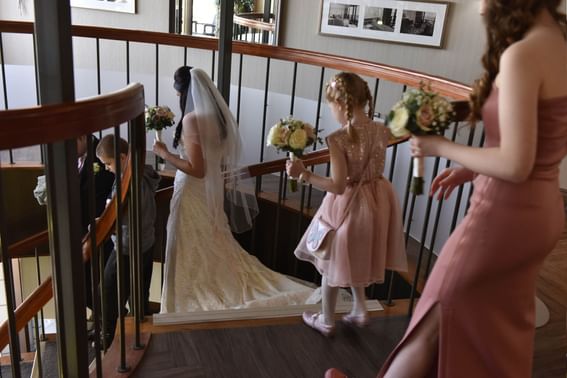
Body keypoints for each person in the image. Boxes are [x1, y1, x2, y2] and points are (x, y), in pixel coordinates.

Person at [377, 1, 567, 377]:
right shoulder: (559, 43)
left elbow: (515, 164)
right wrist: (472, 169)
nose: (481, 7)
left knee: (435, 315)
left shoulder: (522, 54)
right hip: (542, 214)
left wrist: (438, 146)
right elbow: (544, 142)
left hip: (502, 219)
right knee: (496, 330)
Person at [153, 66, 315, 313]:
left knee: (190, 242)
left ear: (185, 91)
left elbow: (197, 169)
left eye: (177, 93)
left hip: (193, 190)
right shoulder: (218, 117)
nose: (177, 98)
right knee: (209, 239)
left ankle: (195, 289)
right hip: (211, 191)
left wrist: (165, 154)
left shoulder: (191, 119)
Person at [286, 72, 407, 337]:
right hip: (378, 204)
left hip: (348, 207)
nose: (331, 111)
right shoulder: (381, 129)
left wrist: (303, 174)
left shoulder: (337, 139)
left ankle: (326, 320)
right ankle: (360, 309)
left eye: (331, 105)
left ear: (340, 105)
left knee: (332, 262)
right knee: (354, 256)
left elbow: (338, 186)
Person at [95, 134, 160, 345]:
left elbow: (124, 214)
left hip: (128, 245)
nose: (106, 168)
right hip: (142, 243)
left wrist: (102, 221)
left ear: (122, 157)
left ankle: (111, 335)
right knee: (138, 290)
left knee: (108, 289)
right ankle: (133, 332)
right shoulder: (136, 175)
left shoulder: (132, 182)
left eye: (108, 163)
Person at [76, 135, 115, 312]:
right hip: (80, 231)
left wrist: (105, 216)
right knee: (82, 288)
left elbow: (116, 184)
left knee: (100, 286)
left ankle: (110, 324)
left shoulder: (103, 152)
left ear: (82, 137)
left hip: (101, 230)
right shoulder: (73, 157)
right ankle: (103, 323)